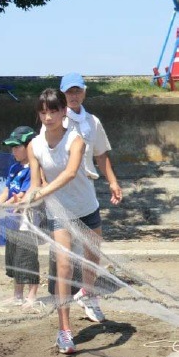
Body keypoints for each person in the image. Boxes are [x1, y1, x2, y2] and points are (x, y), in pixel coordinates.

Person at [24, 88, 103, 355]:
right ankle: (64, 330)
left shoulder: (76, 139)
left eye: (53, 111)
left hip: (86, 207)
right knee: (65, 268)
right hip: (60, 213)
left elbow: (70, 173)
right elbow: (35, 184)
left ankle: (87, 293)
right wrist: (23, 201)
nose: (48, 117)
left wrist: (43, 192)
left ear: (63, 112)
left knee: (92, 259)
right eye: (43, 112)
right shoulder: (34, 146)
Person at [58, 72, 122, 322]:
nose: (73, 96)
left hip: (86, 190)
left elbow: (101, 154)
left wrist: (113, 182)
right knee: (62, 256)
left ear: (84, 92)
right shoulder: (56, 120)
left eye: (77, 91)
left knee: (92, 247)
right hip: (61, 192)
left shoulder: (92, 122)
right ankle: (61, 309)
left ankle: (88, 292)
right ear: (63, 93)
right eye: (69, 92)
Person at [0, 126, 40, 308]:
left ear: (29, 146)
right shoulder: (14, 168)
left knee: (27, 255)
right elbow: (7, 190)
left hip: (28, 218)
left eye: (17, 147)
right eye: (12, 147)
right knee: (14, 254)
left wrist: (4, 205)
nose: (13, 151)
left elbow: (23, 197)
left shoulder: (34, 169)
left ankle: (32, 295)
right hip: (13, 217)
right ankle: (17, 294)